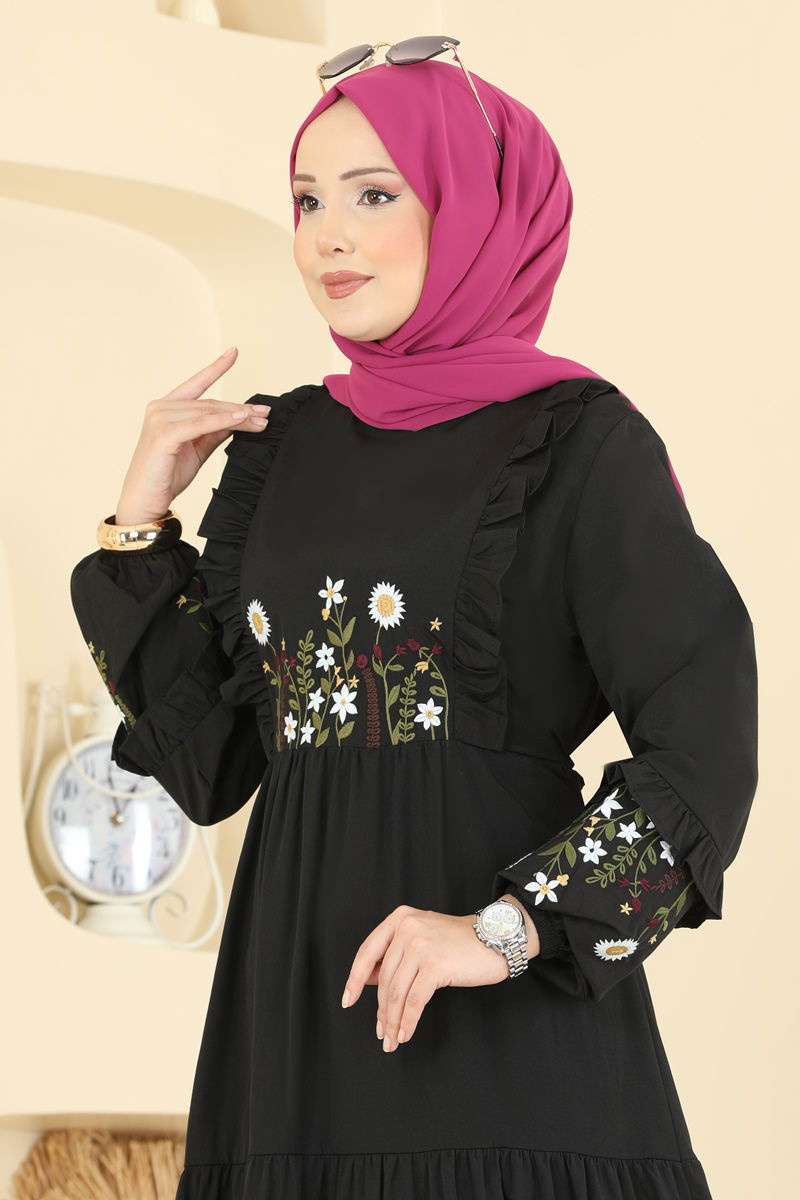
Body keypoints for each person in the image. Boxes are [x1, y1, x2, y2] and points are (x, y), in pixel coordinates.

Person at [69, 41, 758, 1200]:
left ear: (478, 209)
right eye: (307, 201)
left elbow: (704, 747)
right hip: (293, 1036)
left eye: (374, 195)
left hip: (508, 1056)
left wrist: (504, 930)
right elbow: (212, 763)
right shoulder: (282, 448)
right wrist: (140, 521)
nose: (327, 237)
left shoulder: (578, 443)